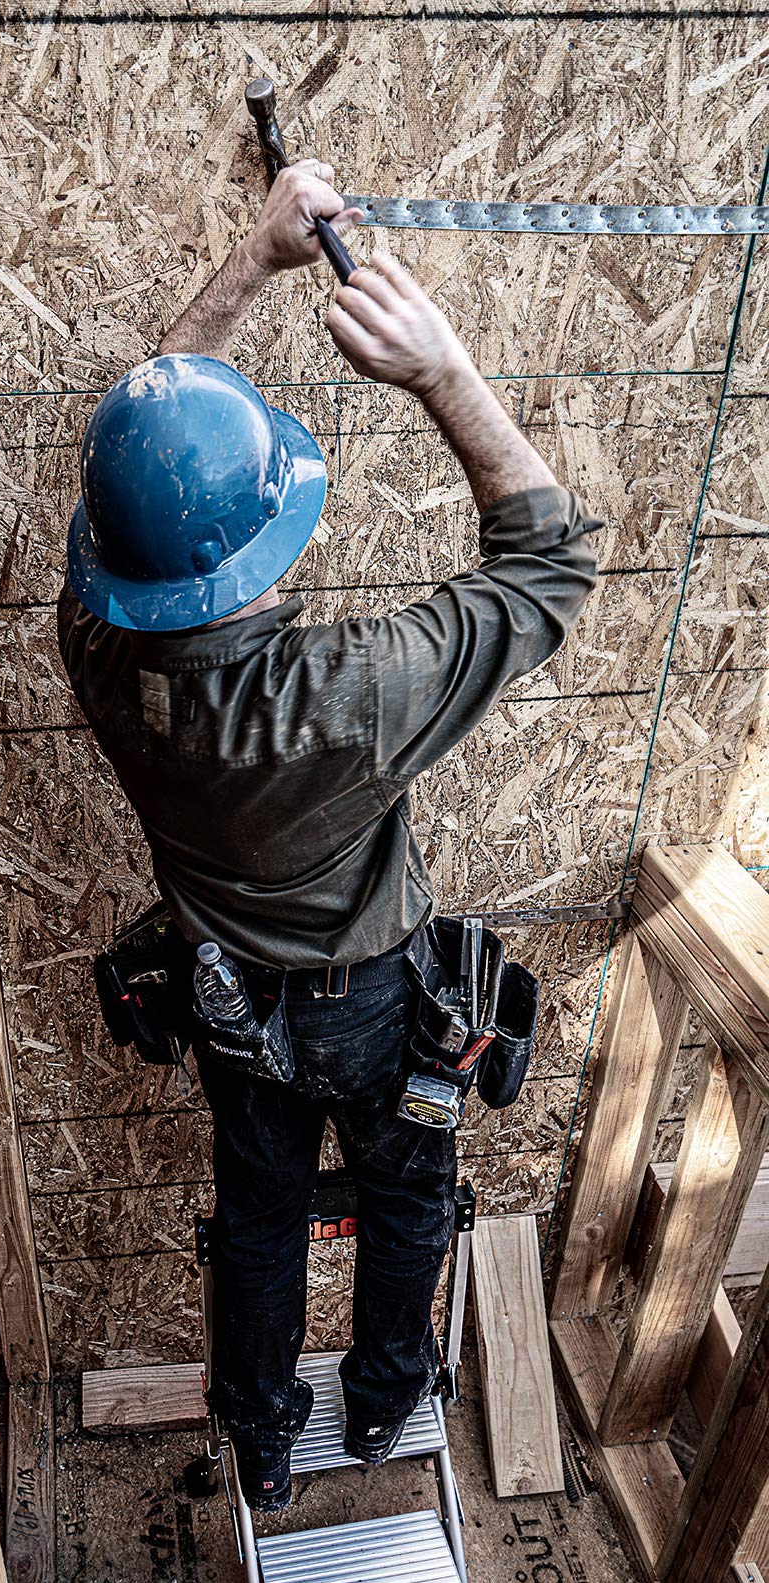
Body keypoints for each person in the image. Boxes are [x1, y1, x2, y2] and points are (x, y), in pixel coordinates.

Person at [58, 161, 599, 1510]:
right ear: (267, 546)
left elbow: (144, 456)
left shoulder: (92, 648)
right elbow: (551, 563)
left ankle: (262, 1440)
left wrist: (250, 263)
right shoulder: (349, 698)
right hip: (373, 1012)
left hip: (230, 1005)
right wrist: (444, 373)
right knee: (409, 1202)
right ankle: (377, 1414)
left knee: (258, 1224)